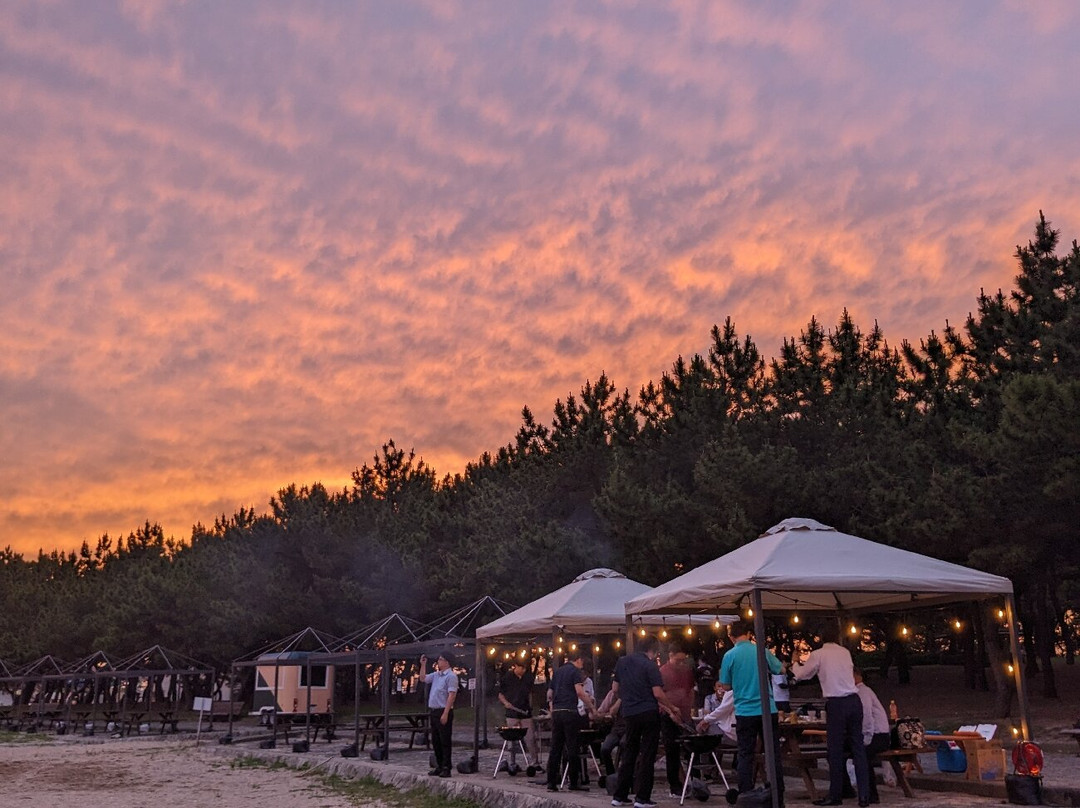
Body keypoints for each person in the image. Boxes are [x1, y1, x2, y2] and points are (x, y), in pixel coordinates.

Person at [790, 624, 870, 807]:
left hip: (837, 703)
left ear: (820, 638)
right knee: (858, 748)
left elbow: (803, 674)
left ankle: (836, 795)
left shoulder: (818, 654)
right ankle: (864, 795)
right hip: (853, 700)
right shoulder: (845, 652)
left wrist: (795, 662)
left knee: (835, 749)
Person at [609, 634, 681, 808]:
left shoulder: (622, 662)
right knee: (648, 754)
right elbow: (657, 693)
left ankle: (619, 796)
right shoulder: (650, 666)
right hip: (648, 713)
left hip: (629, 713)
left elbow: (615, 688)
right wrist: (672, 707)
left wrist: (628, 698)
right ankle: (642, 798)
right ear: (653, 649)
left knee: (629, 753)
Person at [718, 620, 785, 805]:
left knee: (745, 754)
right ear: (748, 634)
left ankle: (746, 797)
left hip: (745, 711)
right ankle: (778, 796)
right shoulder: (761, 651)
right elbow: (780, 668)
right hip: (767, 709)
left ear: (731, 637)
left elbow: (725, 685)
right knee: (773, 753)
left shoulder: (729, 656)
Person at [546, 648, 596, 793]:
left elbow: (550, 693)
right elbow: (580, 692)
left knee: (555, 748)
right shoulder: (575, 672)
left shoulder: (558, 671)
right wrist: (592, 707)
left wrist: (552, 706)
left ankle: (551, 782)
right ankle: (573, 782)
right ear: (578, 660)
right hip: (570, 712)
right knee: (572, 747)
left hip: (556, 712)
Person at [660, 639, 696, 797]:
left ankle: (694, 782)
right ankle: (675, 785)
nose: (681, 663)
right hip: (668, 715)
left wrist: (690, 709)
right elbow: (659, 697)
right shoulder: (662, 671)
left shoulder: (687, 671)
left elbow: (690, 690)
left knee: (691, 748)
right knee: (672, 750)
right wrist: (671, 712)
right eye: (678, 660)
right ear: (670, 655)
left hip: (685, 713)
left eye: (683, 660)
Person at [851, 668, 890, 805]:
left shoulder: (863, 692)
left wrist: (866, 738)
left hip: (879, 735)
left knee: (861, 754)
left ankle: (870, 794)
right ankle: (849, 788)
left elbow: (866, 716)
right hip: (876, 735)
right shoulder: (859, 693)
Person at [418, 652, 458, 778]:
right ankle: (439, 765)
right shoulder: (436, 675)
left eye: (441, 659)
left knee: (444, 740)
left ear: (447, 662)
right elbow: (423, 678)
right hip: (434, 710)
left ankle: (446, 767)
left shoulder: (451, 676)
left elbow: (451, 695)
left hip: (443, 710)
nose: (438, 661)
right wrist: (423, 665)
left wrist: (445, 713)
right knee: (436, 740)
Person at [498, 659, 539, 765]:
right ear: (516, 666)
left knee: (530, 738)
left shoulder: (528, 678)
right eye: (521, 668)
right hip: (512, 713)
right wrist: (506, 703)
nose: (523, 670)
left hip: (525, 712)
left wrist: (530, 706)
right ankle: (512, 762)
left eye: (525, 668)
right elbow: (500, 694)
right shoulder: (507, 677)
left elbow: (530, 693)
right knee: (511, 739)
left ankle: (535, 762)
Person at [596, 687, 626, 776]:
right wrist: (619, 699)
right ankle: (611, 774)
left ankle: (625, 774)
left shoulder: (632, 693)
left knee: (624, 744)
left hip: (629, 728)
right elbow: (611, 711)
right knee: (605, 748)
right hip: (616, 729)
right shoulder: (612, 694)